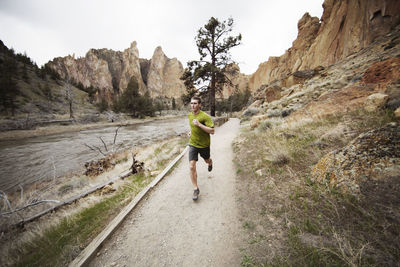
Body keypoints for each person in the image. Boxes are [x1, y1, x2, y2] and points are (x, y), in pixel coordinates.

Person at [188, 96, 214, 201]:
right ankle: (195, 189)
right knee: (191, 166)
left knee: (206, 160)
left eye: (195, 103)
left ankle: (210, 163)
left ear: (200, 105)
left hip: (204, 145)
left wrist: (199, 125)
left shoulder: (205, 117)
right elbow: (192, 126)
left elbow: (212, 131)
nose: (193, 105)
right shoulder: (189, 115)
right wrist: (191, 132)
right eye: (191, 103)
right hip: (193, 144)